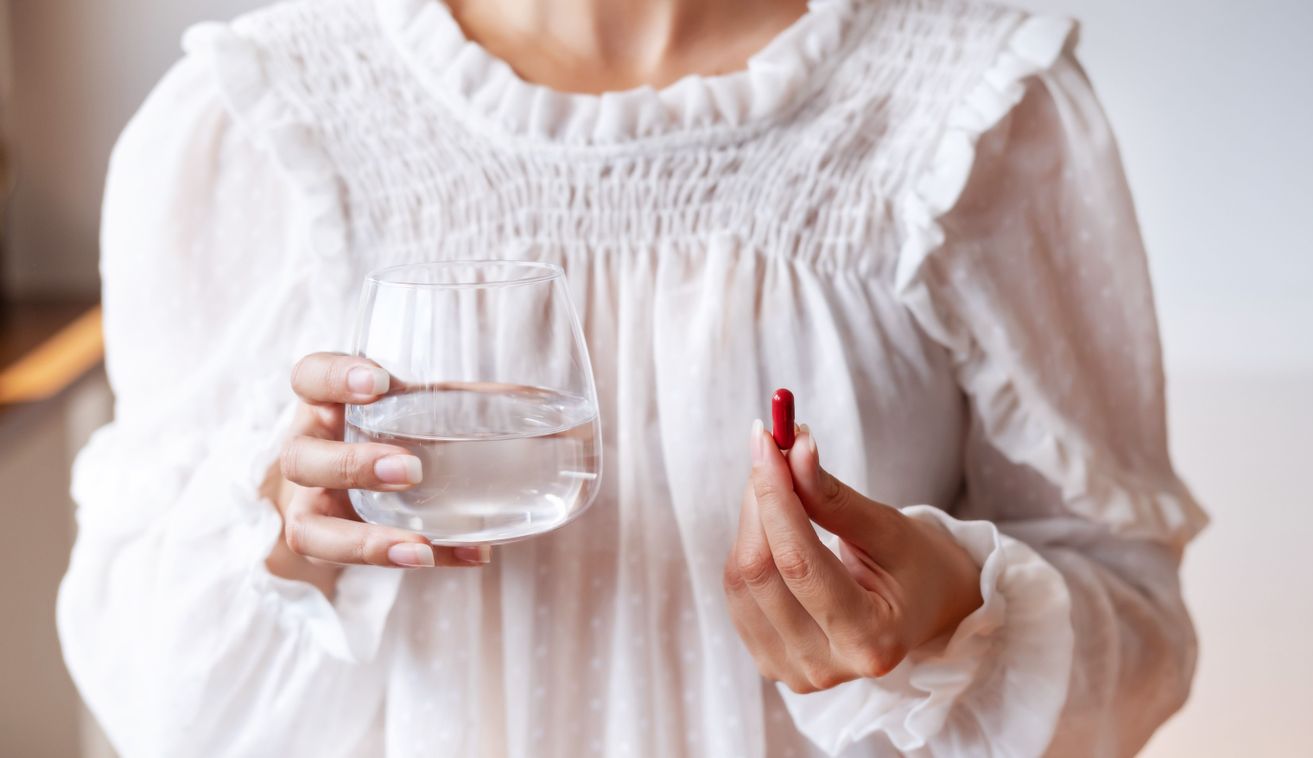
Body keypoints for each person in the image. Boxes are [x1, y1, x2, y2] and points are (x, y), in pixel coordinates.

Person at [57, 0, 1209, 755]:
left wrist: (943, 616)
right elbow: (160, 703)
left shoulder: (978, 110)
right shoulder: (254, 121)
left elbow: (1138, 635)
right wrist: (290, 542)